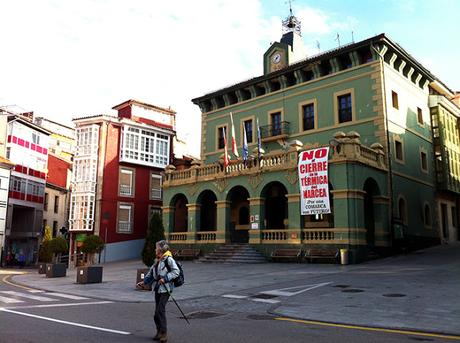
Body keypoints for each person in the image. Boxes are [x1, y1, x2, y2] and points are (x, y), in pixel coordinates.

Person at [137, 240, 179, 342]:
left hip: (166, 288)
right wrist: (144, 282)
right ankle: (159, 331)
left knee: (160, 310)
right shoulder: (158, 261)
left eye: (156, 248)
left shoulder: (168, 259)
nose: (155, 249)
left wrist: (165, 278)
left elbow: (176, 271)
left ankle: (164, 333)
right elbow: (151, 273)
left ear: (161, 249)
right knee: (156, 313)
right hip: (158, 289)